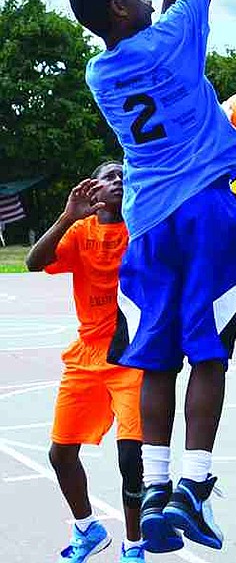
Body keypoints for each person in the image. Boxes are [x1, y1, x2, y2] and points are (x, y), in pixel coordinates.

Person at [68, 0, 236, 553]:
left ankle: (157, 484)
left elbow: (165, 31)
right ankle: (197, 491)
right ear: (119, 6)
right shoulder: (168, 41)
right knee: (207, 354)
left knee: (154, 357)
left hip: (148, 225)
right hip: (206, 209)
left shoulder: (99, 73)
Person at [26, 165, 145, 562]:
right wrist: (66, 216)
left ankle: (133, 545)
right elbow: (32, 262)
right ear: (92, 189)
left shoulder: (143, 228)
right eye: (109, 176)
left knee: (130, 457)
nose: (118, 181)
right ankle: (87, 528)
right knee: (60, 455)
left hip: (132, 356)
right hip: (87, 355)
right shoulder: (80, 232)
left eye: (124, 176)